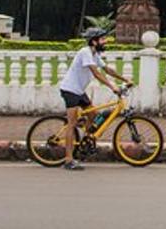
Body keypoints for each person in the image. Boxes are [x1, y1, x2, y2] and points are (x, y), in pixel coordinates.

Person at [56, 27, 131, 171]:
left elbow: (107, 69)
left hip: (79, 91)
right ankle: (69, 160)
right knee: (71, 125)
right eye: (102, 39)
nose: (105, 42)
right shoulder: (85, 52)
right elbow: (96, 73)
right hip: (70, 90)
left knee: (95, 117)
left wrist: (125, 79)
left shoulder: (94, 54)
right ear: (94, 41)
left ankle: (86, 141)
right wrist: (112, 87)